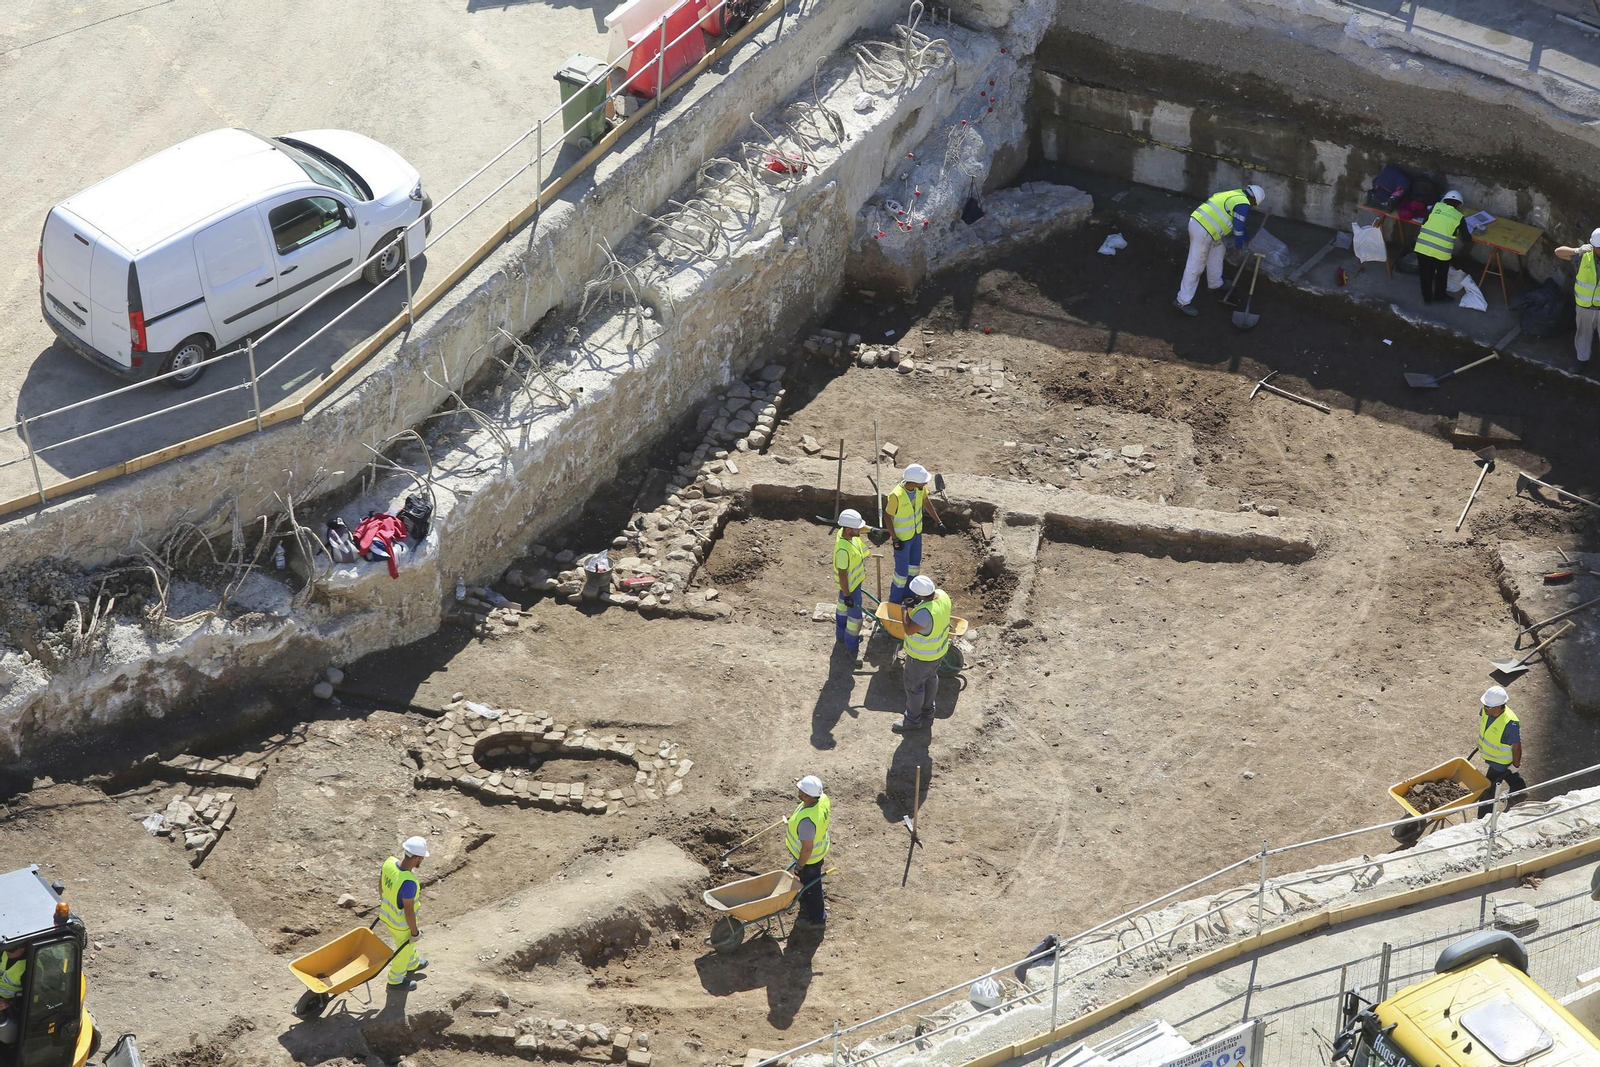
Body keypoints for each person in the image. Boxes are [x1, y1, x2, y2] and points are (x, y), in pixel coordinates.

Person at [1174, 184, 1264, 316]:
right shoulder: (1243, 203)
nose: (1252, 206)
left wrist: (1247, 238)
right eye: (1254, 204)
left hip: (1205, 227)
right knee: (1196, 265)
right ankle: (1182, 301)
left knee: (1218, 251)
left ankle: (1215, 283)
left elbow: (1238, 223)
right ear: (1254, 200)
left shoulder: (1236, 194)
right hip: (1203, 230)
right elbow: (1238, 227)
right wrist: (1239, 246)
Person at [895, 575, 952, 733]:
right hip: (938, 653)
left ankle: (912, 720)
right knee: (931, 679)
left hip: (921, 658)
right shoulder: (943, 596)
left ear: (919, 595)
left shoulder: (924, 614)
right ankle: (928, 710)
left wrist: (904, 610)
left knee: (914, 687)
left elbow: (908, 629)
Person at [885, 464, 942, 605]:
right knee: (901, 574)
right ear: (914, 482)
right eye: (923, 480)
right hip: (902, 540)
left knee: (914, 567)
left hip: (916, 535)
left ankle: (909, 595)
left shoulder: (919, 489)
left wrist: (938, 521)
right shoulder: (896, 495)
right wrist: (894, 539)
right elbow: (887, 516)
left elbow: (926, 502)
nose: (926, 482)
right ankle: (895, 602)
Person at [379, 836, 430, 990]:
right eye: (421, 858)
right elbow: (409, 912)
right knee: (403, 949)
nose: (422, 860)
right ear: (416, 858)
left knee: (408, 945)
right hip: (400, 924)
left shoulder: (389, 864)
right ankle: (395, 980)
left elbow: (380, 888)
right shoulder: (408, 882)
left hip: (386, 915)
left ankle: (412, 963)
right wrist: (414, 932)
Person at [786, 776, 831, 927]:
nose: (797, 790)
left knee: (812, 887)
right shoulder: (822, 798)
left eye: (800, 790)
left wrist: (799, 866)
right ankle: (805, 894)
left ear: (806, 796)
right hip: (819, 851)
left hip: (810, 860)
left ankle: (817, 919)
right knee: (809, 884)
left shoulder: (807, 823)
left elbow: (807, 849)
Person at [1476, 685, 1525, 819]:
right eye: (1485, 705)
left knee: (1488, 789)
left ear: (1499, 706)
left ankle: (1483, 818)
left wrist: (1515, 763)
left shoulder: (1511, 724)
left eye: (1489, 706)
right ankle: (1520, 791)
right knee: (1508, 774)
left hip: (1500, 761)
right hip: (1491, 756)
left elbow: (1516, 746)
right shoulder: (1487, 711)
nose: (1485, 708)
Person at [1552, 228, 1600, 363]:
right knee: (1583, 336)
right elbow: (1558, 252)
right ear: (1594, 246)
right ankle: (1581, 360)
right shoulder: (1584, 256)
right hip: (1584, 308)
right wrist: (1576, 250)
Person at [1414, 190, 1468, 305]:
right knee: (1441, 275)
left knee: (1425, 275)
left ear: (1444, 201)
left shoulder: (1435, 207)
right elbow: (1467, 238)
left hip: (1422, 247)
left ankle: (1427, 298)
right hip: (1442, 252)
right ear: (1459, 205)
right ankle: (1440, 296)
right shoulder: (1459, 217)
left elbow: (1425, 222)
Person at [833, 509, 869, 654]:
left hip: (847, 587)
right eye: (857, 527)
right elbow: (843, 574)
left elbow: (861, 528)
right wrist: (848, 596)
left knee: (842, 611)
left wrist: (872, 530)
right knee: (855, 619)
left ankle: (840, 636)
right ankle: (851, 648)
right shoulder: (843, 550)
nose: (860, 529)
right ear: (848, 529)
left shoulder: (844, 534)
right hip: (851, 588)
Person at [0, 939, 24, 1047]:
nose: (8, 952)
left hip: (10, 1005)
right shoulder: (5, 953)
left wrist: (8, 1003)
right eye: (7, 949)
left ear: (23, 948)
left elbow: (30, 997)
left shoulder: (27, 968)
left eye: (12, 950)